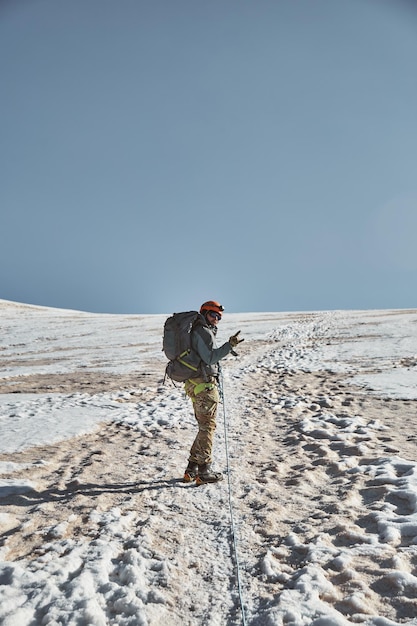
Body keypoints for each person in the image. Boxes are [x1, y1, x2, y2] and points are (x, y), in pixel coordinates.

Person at [183, 300, 244, 485]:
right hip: (204, 386)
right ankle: (205, 470)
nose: (216, 319)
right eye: (213, 315)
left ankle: (191, 468)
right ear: (204, 312)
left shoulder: (198, 330)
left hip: (196, 384)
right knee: (208, 427)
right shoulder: (202, 331)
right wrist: (229, 346)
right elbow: (210, 357)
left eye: (219, 317)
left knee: (204, 426)